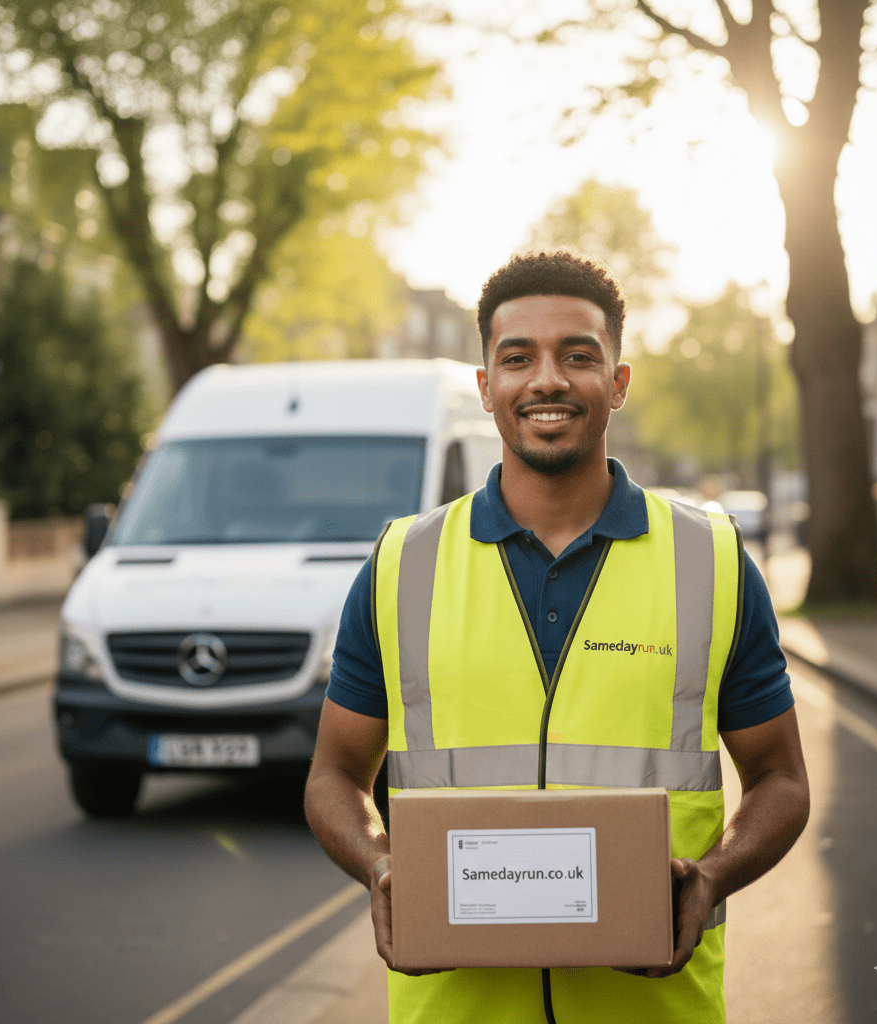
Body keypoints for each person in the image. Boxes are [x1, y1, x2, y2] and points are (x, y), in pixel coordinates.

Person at [305, 250, 810, 1023]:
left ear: (617, 382)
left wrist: (712, 876)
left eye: (579, 356)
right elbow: (334, 776)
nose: (547, 380)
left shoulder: (709, 560)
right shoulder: (401, 565)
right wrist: (380, 868)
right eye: (517, 358)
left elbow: (780, 780)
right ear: (486, 387)